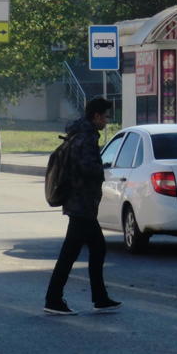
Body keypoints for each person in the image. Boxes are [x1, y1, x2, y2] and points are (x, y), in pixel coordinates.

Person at [44, 96, 119, 316]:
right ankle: (56, 299)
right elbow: (85, 168)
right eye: (105, 116)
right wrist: (102, 169)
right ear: (96, 116)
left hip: (79, 202)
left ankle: (98, 298)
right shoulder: (85, 137)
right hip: (81, 203)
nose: (106, 121)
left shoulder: (80, 133)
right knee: (87, 250)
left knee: (84, 250)